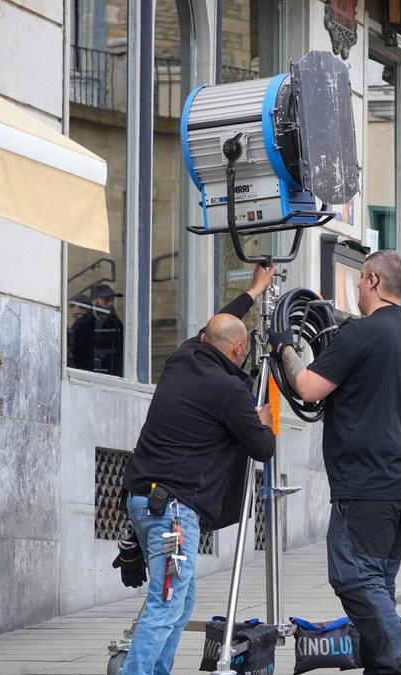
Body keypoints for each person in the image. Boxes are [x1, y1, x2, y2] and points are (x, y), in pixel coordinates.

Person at [273, 251, 401, 674]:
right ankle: (383, 666)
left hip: (369, 487)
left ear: (375, 281)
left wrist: (284, 346)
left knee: (354, 578)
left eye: (361, 278)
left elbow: (308, 387)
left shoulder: (360, 334)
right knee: (379, 583)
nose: (358, 286)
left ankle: (396, 664)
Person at [119, 264, 277, 675]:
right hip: (173, 513)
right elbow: (263, 449)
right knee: (167, 603)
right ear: (239, 351)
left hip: (141, 501)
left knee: (179, 598)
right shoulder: (230, 391)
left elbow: (219, 323)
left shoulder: (182, 357)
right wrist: (262, 421)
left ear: (204, 339)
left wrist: (254, 291)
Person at [69, 282, 125, 376]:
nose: (111, 303)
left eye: (112, 300)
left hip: (113, 377)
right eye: (106, 299)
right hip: (86, 376)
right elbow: (72, 351)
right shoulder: (82, 324)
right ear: (94, 301)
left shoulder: (115, 323)